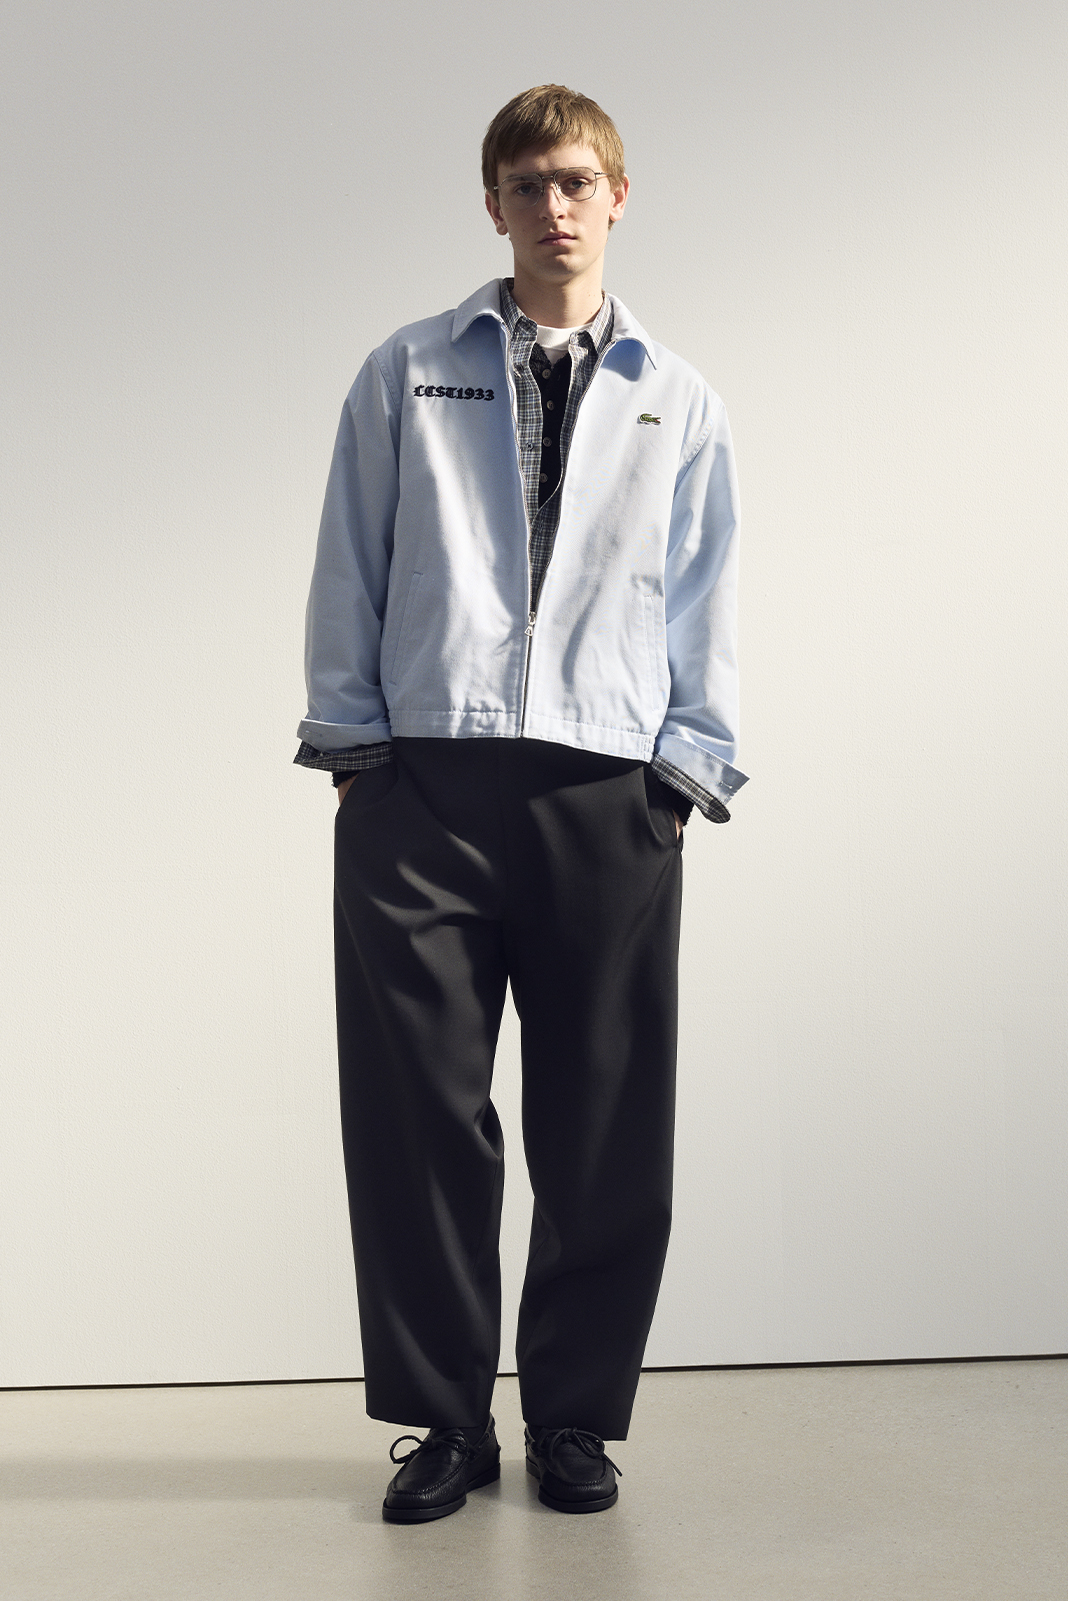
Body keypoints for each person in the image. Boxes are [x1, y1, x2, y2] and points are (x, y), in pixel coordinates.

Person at [294, 83, 748, 1523]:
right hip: (422, 787)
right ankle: (444, 1420)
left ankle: (571, 1419)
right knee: (417, 1114)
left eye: (576, 181)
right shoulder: (408, 370)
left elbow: (707, 590)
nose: (555, 207)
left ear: (619, 197)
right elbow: (351, 559)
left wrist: (685, 769)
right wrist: (356, 750)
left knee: (604, 1120)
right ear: (491, 204)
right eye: (527, 183)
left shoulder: (678, 396)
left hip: (609, 793)